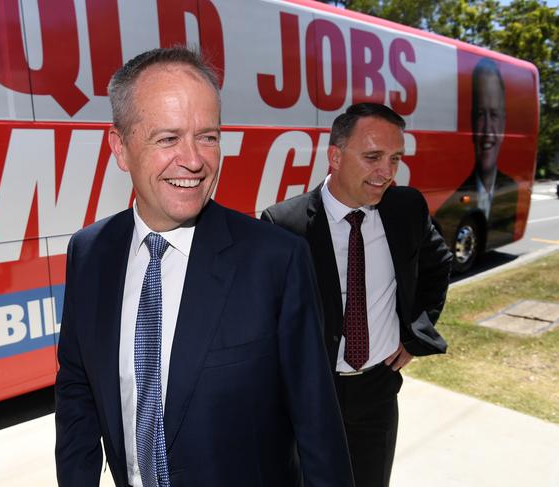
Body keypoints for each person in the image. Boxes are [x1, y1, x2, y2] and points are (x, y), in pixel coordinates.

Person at [54, 47, 353, 487]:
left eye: (208, 136)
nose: (194, 160)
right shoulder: (89, 253)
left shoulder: (276, 260)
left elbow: (318, 425)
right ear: (119, 147)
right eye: (168, 138)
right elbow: (77, 387)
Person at [262, 103, 452, 487]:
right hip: (310, 397)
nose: (386, 172)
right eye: (372, 157)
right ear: (335, 156)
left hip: (376, 392)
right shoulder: (284, 224)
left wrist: (415, 334)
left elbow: (437, 266)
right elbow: (267, 319)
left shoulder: (406, 208)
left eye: (394, 158)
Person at [435, 58, 518, 269]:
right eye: (481, 115)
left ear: (505, 122)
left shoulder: (512, 189)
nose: (488, 131)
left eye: (495, 115)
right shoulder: (447, 209)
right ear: (471, 120)